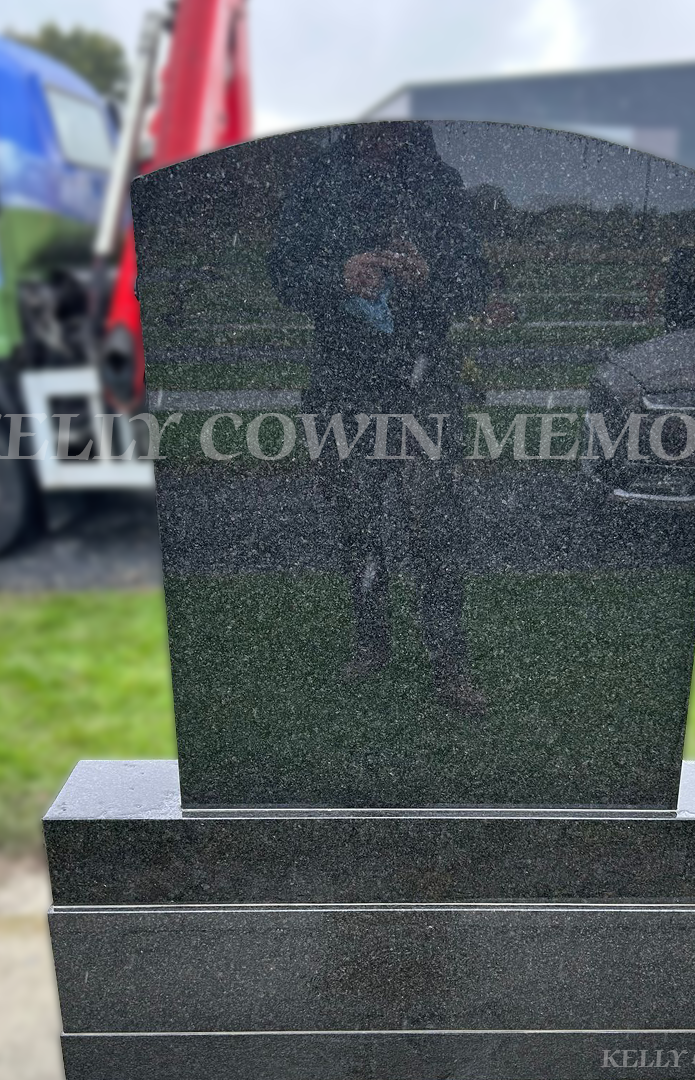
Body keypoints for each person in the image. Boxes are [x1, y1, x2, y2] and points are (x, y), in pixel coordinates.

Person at [268, 123, 489, 713]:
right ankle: (372, 642)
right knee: (356, 523)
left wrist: (430, 273)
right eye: (372, 130)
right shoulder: (319, 180)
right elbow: (283, 271)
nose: (382, 141)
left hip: (426, 387)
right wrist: (335, 275)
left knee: (436, 528)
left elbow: (477, 282)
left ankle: (449, 666)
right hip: (343, 384)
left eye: (395, 130)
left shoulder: (438, 186)